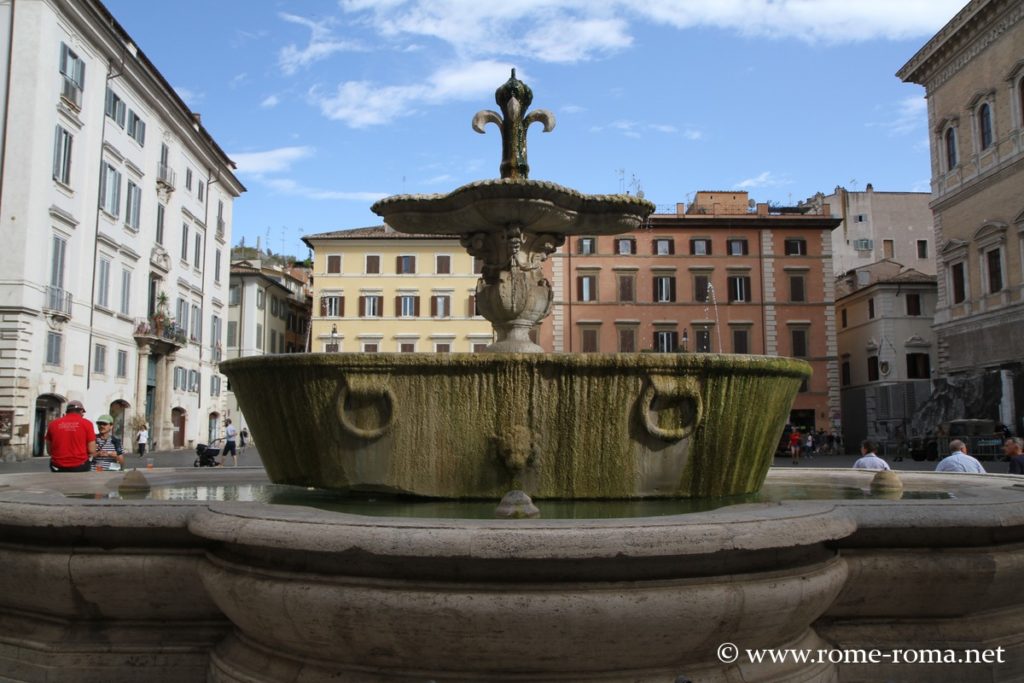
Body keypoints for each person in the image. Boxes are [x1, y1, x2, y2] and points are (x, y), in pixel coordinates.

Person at [45, 400, 96, 472]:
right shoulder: (87, 424)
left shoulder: (53, 424)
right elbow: (92, 450)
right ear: (81, 411)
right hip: (80, 465)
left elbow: (49, 450)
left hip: (57, 465)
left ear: (67, 411)